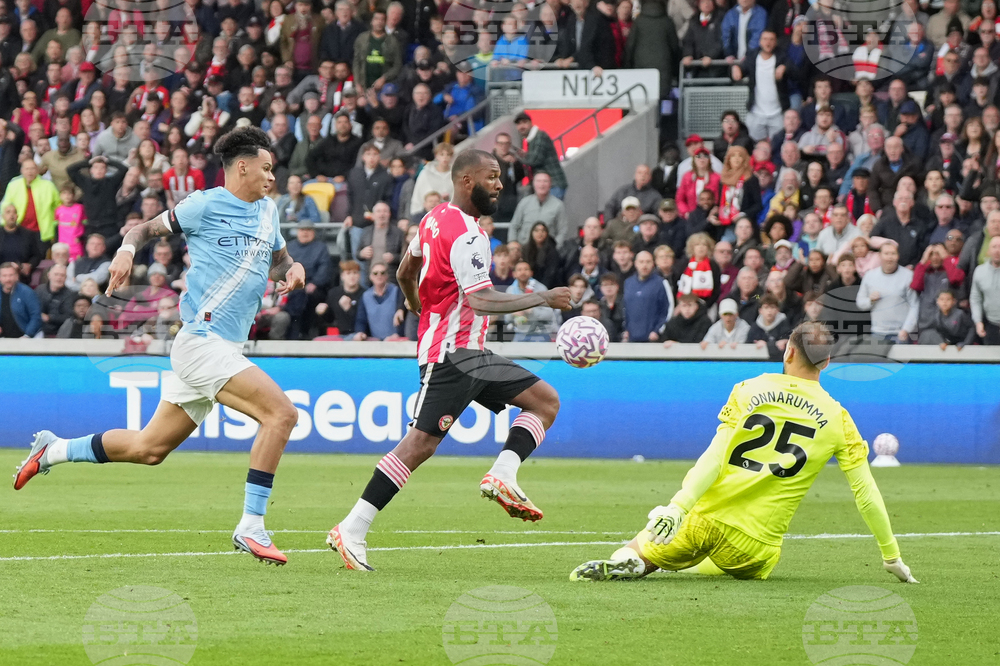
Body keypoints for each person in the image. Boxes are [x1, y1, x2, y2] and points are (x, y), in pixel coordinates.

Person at [14, 127, 307, 567]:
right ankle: (251, 525)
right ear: (242, 166)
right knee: (281, 414)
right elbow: (143, 228)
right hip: (202, 342)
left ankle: (52, 449)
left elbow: (280, 258)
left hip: (225, 346)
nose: (271, 177)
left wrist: (295, 266)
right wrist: (127, 251)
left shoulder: (269, 212)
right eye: (266, 168)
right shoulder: (204, 205)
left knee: (148, 450)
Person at [328, 149, 571, 572]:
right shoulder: (469, 236)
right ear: (466, 181)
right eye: (491, 176)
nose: (499, 184)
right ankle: (352, 528)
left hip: (469, 353)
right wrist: (543, 297)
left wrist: (417, 304)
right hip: (451, 356)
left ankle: (503, 475)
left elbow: (406, 270)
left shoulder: (435, 217)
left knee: (545, 402)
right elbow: (479, 298)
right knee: (420, 444)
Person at [570, 321, 919, 584]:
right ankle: (692, 561)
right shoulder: (837, 418)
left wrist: (678, 507)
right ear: (826, 363)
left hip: (702, 520)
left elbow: (716, 454)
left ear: (789, 352)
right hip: (755, 545)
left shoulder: (749, 390)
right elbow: (866, 494)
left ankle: (637, 560)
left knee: (644, 547)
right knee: (742, 564)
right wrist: (891, 556)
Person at [856, 243, 919, 343]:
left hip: (900, 334)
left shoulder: (908, 276)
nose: (890, 257)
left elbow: (914, 305)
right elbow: (860, 302)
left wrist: (907, 329)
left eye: (893, 253)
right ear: (879, 256)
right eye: (886, 253)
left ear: (898, 256)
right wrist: (870, 301)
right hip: (877, 332)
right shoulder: (869, 276)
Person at [732, 30, 788, 141]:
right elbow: (741, 70)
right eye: (765, 39)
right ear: (760, 41)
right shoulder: (752, 56)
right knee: (754, 146)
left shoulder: (783, 57)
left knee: (778, 146)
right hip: (756, 112)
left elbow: (796, 73)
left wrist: (785, 67)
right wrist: (734, 68)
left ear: (776, 42)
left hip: (777, 112)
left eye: (771, 39)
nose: (768, 42)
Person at [0, 158, 60, 243]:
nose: (30, 172)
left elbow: (58, 206)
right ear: (22, 170)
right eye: (27, 169)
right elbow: (5, 206)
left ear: (37, 170)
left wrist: (54, 224)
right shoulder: (13, 185)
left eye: (32, 168)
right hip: (20, 230)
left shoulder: (48, 185)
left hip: (42, 232)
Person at [513, 111, 568, 199]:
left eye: (524, 122)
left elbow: (535, 160)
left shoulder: (539, 136)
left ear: (530, 123)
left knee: (548, 212)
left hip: (553, 185)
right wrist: (526, 155)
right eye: (518, 124)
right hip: (548, 185)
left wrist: (516, 157)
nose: (521, 126)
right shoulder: (533, 138)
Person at [623, 250, 669, 342]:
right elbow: (625, 308)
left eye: (648, 262)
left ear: (653, 264)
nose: (644, 265)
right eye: (641, 262)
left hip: (653, 338)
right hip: (632, 338)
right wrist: (625, 329)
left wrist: (657, 330)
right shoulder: (628, 283)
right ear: (635, 264)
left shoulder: (661, 283)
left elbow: (668, 309)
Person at [353, 262, 405, 340]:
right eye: (375, 273)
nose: (379, 276)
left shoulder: (397, 292)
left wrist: (398, 334)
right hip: (375, 343)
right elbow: (361, 319)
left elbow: (402, 318)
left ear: (387, 276)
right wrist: (360, 332)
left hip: (396, 341)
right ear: (370, 276)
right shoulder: (365, 296)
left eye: (382, 273)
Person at [970, 235, 1000, 344]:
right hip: (990, 326)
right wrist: (978, 322)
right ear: (988, 251)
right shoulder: (979, 271)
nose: (997, 250)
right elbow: (975, 298)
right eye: (994, 247)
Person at [0, 261, 42, 337]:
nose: (8, 279)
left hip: (25, 337)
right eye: (4, 276)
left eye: (11, 275)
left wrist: (27, 335)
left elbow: (36, 316)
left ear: (17, 276)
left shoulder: (27, 292)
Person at [747, 293, 791, 360]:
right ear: (760, 311)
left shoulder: (784, 325)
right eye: (766, 307)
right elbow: (748, 346)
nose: (769, 311)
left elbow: (786, 344)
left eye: (772, 307)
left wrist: (767, 345)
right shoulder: (755, 328)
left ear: (777, 310)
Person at [35, 263, 74, 337]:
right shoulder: (39, 290)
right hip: (38, 330)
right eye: (56, 274)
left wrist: (49, 318)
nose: (59, 278)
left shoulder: (70, 295)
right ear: (49, 275)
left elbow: (69, 317)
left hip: (58, 333)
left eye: (62, 275)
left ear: (65, 278)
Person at [598, 273, 626, 341]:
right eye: (605, 285)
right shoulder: (599, 305)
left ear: (617, 286)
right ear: (601, 288)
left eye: (611, 284)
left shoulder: (624, 303)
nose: (608, 288)